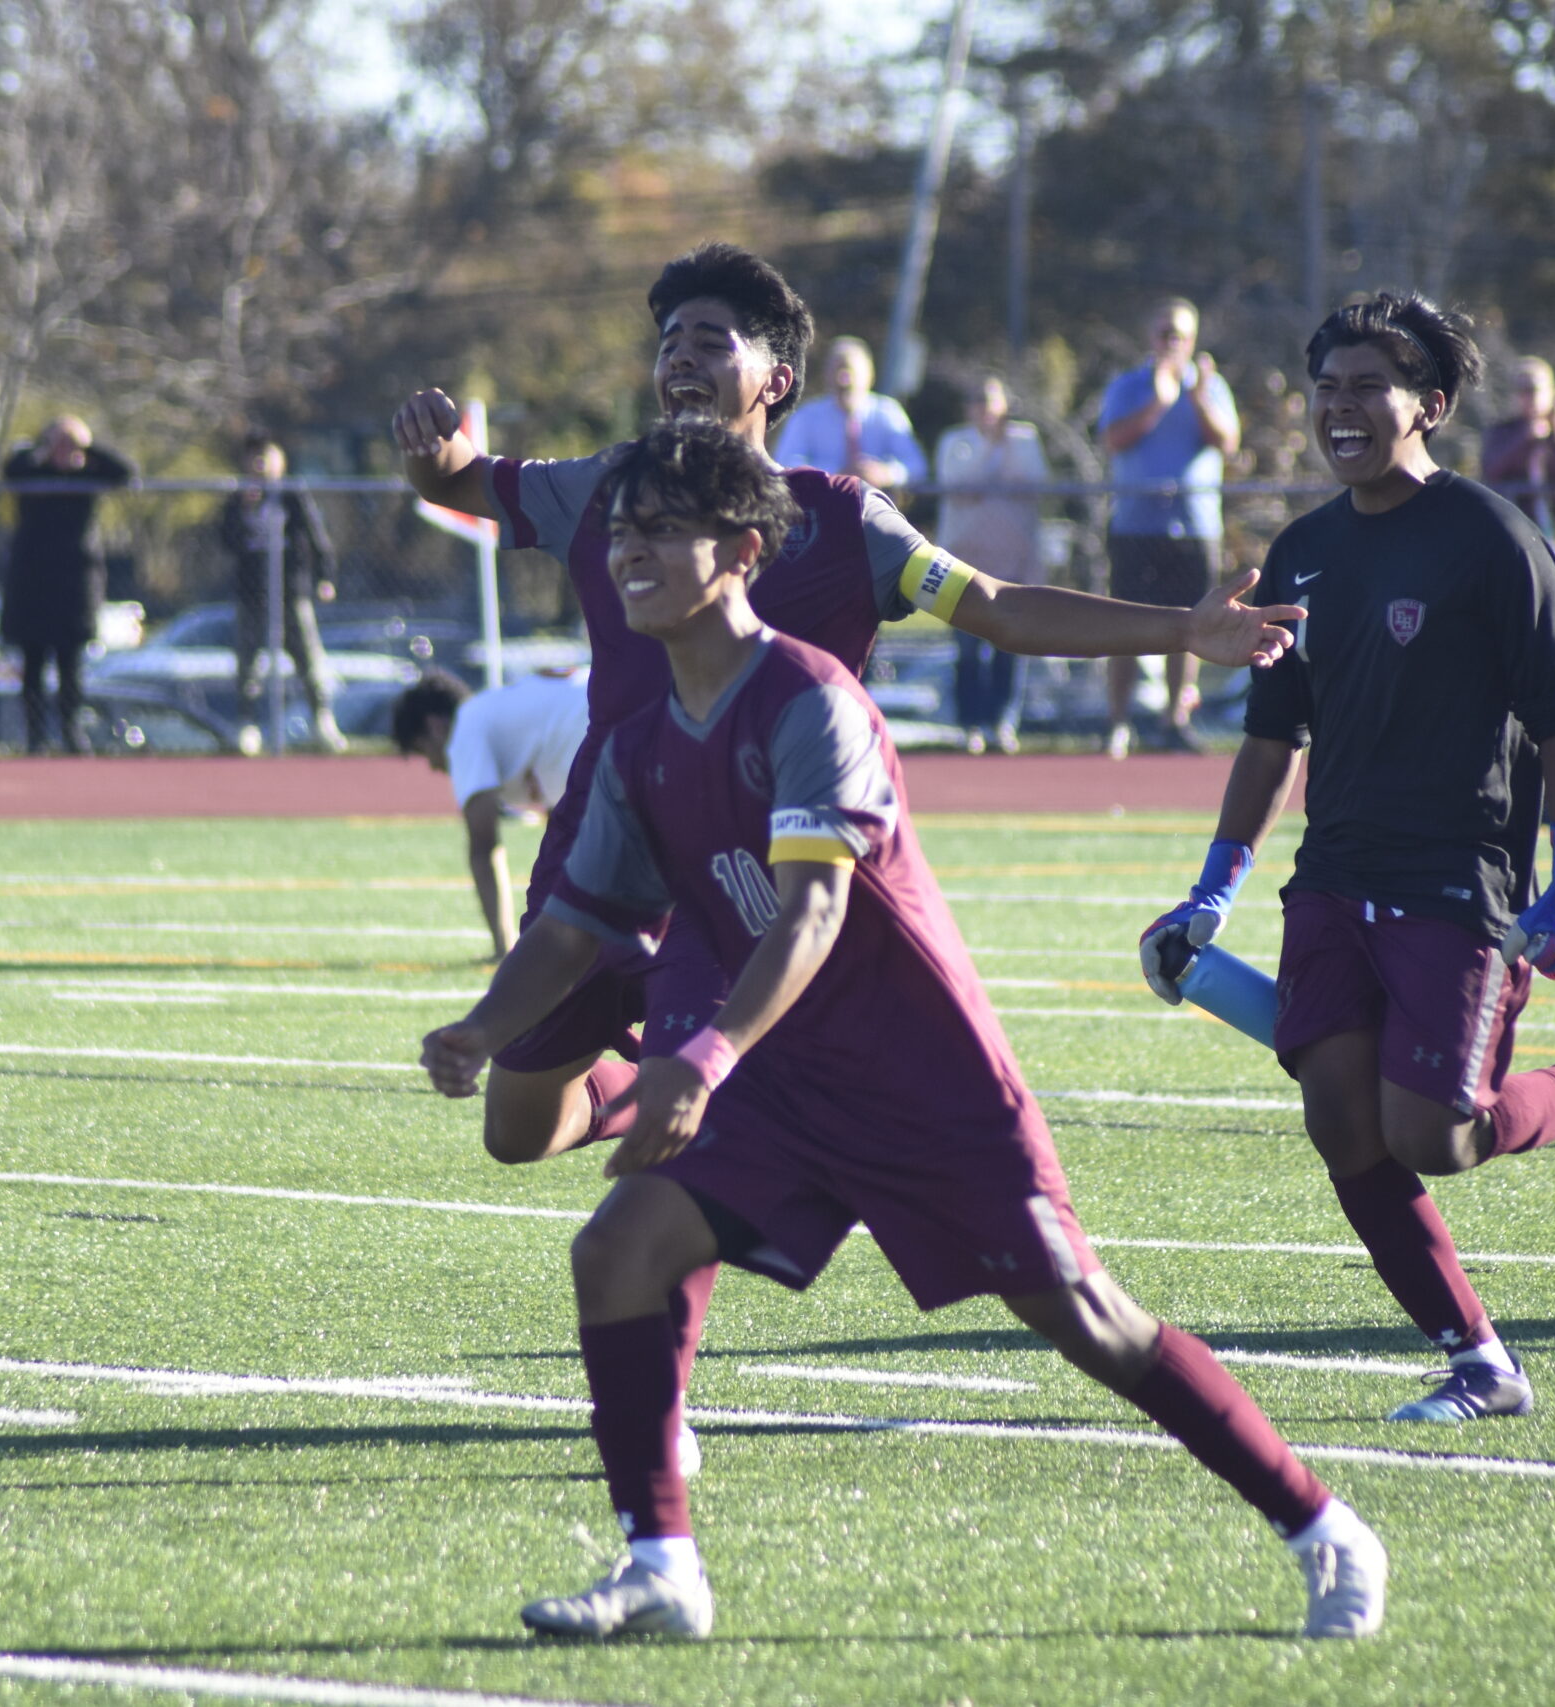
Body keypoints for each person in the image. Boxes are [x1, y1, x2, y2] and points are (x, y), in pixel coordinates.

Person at [422, 421, 1386, 1643]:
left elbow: (814, 912)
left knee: (1088, 1321)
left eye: (665, 526)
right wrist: (481, 1025)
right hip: (781, 1087)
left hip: (920, 1080)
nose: (629, 550)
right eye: (621, 528)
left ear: (746, 551)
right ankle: (662, 1565)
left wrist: (700, 1057)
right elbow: (572, 925)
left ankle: (1320, 1525)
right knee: (616, 1252)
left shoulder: (811, 701)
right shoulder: (636, 741)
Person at [393, 242, 1306, 1479]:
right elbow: (475, 488)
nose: (679, 358)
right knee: (515, 1130)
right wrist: (439, 460)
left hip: (752, 906)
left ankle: (657, 1481)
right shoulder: (603, 488)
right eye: (667, 339)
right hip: (605, 865)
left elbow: (992, 604)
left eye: (711, 339)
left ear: (778, 377)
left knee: (670, 1202)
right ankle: (643, 1100)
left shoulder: (839, 520)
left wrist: (1178, 636)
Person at [1142, 292, 1555, 1427]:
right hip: (1334, 877)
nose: (1338, 410)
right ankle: (1478, 1359)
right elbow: (1269, 738)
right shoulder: (1301, 550)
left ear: (1429, 405)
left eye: (1366, 389)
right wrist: (1212, 890)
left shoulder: (1492, 537)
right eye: (1325, 389)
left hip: (1461, 884)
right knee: (1339, 1121)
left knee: (1433, 1136)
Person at [1097, 297, 1240, 756]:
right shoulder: (1128, 386)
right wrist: (1157, 403)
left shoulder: (1211, 387)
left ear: (1192, 340)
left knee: (1190, 627)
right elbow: (1113, 440)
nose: (1171, 343)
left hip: (1194, 527)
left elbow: (1228, 443)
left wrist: (1197, 400)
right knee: (1122, 626)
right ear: (1150, 337)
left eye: (1179, 335)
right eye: (1164, 334)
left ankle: (1174, 720)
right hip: (1135, 527)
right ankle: (1117, 723)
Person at [391, 665, 592, 958]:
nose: (433, 766)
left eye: (423, 751)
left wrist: (503, 945)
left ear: (435, 726)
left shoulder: (465, 728)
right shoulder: (497, 715)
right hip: (620, 704)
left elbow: (484, 847)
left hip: (603, 724)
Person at [0, 416, 132, 754]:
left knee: (70, 663)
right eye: (60, 443)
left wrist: (87, 445)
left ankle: (72, 732)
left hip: (74, 580)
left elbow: (125, 471)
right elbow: (11, 469)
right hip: (32, 579)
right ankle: (35, 736)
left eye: (72, 445)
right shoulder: (31, 469)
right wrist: (45, 448)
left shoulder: (88, 474)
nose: (65, 451)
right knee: (33, 663)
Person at [935, 373, 1049, 753]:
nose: (984, 409)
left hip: (1014, 560)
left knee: (1011, 645)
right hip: (965, 562)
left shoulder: (1024, 440)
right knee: (967, 648)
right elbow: (958, 482)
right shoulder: (955, 442)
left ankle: (1004, 721)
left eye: (991, 400)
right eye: (977, 401)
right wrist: (989, 457)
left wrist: (994, 471)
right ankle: (971, 724)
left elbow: (1031, 481)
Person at [216, 433, 342, 755]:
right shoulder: (238, 498)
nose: (258, 465)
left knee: (308, 660)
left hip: (291, 591)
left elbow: (315, 536)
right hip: (252, 593)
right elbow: (226, 542)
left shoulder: (292, 495)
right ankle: (247, 726)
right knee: (248, 664)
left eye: (265, 457)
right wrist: (243, 510)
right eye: (253, 458)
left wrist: (324, 577)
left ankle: (322, 722)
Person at [767, 336, 928, 489]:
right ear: (826, 375)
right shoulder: (807, 416)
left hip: (876, 507)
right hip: (823, 507)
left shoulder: (887, 412)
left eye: (850, 371)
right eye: (837, 371)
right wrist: (838, 473)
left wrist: (886, 473)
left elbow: (916, 466)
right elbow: (786, 463)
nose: (843, 380)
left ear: (869, 374)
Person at [1479, 356, 1555, 542]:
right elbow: (1491, 472)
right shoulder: (1502, 431)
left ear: (1551, 392)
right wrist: (1524, 438)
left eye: (1534, 390)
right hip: (1511, 525)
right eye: (1522, 391)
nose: (1529, 398)